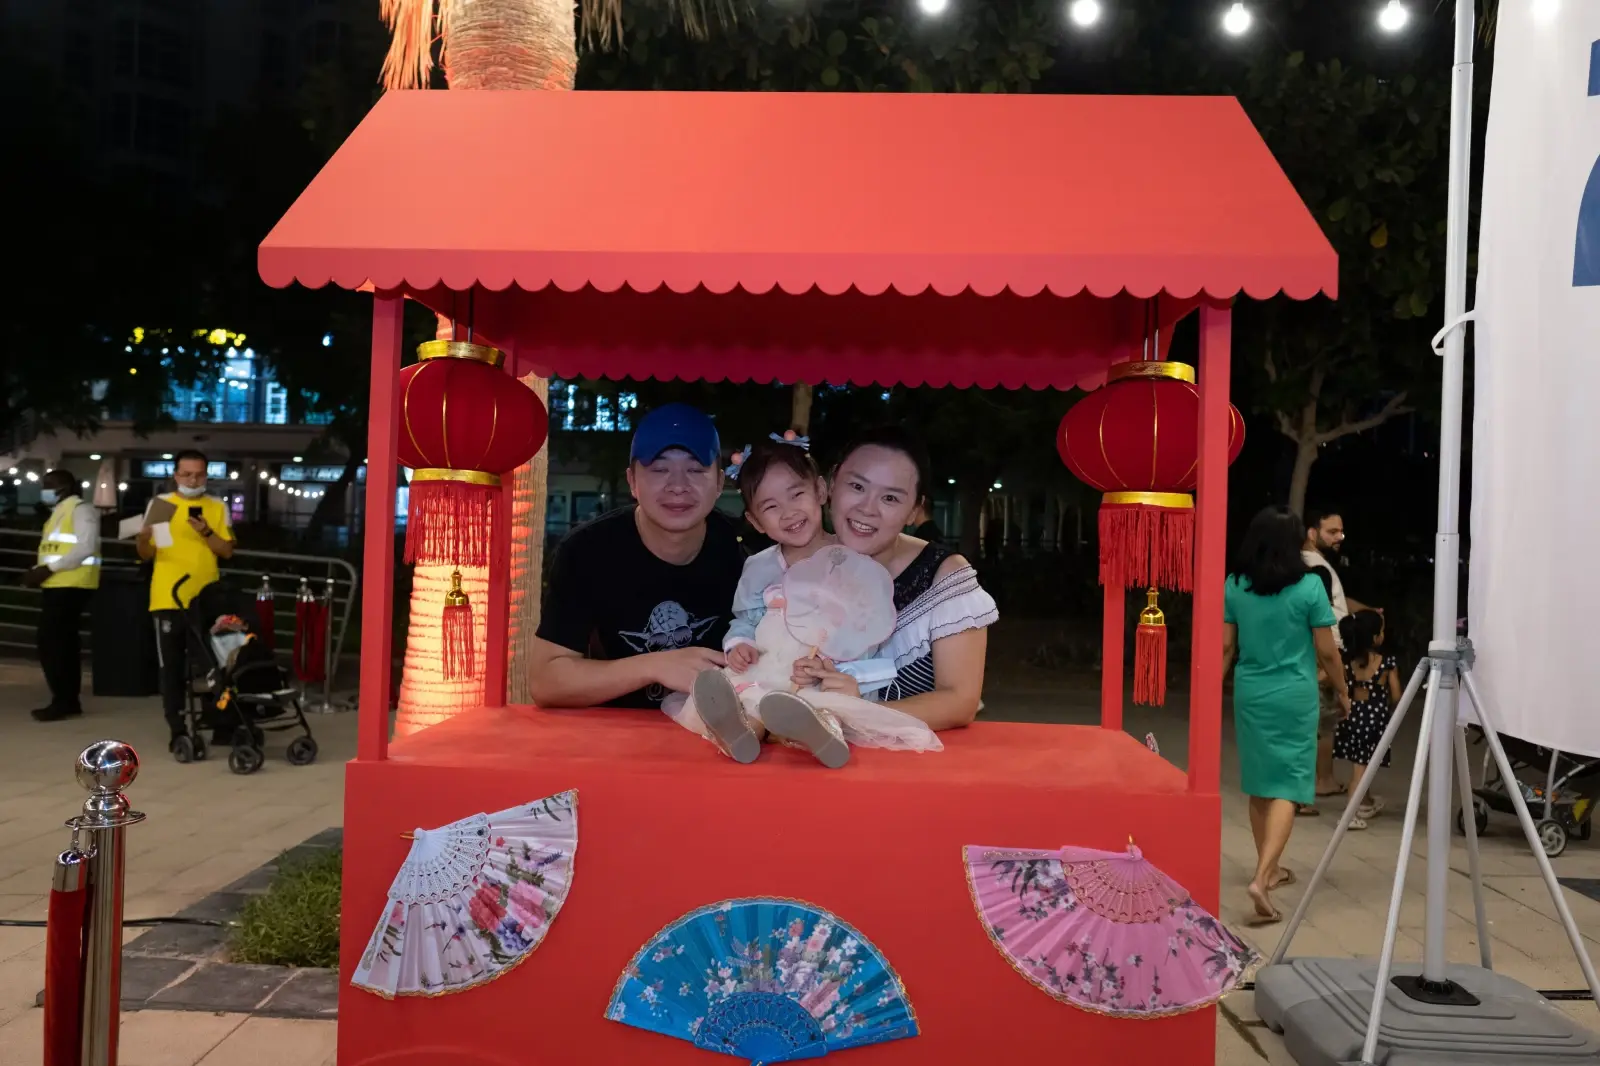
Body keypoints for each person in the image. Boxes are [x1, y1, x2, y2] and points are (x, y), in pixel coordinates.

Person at [664, 433, 940, 766]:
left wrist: (837, 667)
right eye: (770, 506)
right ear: (754, 521)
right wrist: (739, 644)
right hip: (765, 667)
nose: (788, 512)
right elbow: (745, 617)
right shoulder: (759, 567)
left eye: (797, 495)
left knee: (824, 705)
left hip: (819, 672)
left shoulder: (849, 559)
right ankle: (739, 733)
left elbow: (863, 624)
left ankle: (820, 733)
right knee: (750, 700)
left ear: (821, 491)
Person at [526, 403, 745, 710]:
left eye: (696, 470)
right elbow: (545, 680)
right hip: (616, 739)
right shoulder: (589, 551)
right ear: (632, 481)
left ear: (720, 482)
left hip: (720, 734)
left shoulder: (742, 549)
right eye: (659, 469)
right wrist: (654, 666)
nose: (678, 486)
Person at [789, 426, 998, 730]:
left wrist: (863, 711)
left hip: (913, 767)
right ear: (832, 484)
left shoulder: (943, 576)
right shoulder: (801, 563)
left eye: (890, 498)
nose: (867, 509)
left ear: (915, 510)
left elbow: (959, 701)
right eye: (857, 487)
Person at [1223, 505, 1349, 925]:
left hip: (1251, 694)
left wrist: (1208, 690)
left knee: (1261, 784)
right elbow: (1327, 650)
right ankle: (1262, 876)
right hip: (1295, 695)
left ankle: (1271, 868)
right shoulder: (1310, 587)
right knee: (1288, 787)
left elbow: (1225, 648)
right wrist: (1343, 689)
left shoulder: (1236, 585)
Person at [136, 450, 235, 751]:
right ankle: (177, 728)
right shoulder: (161, 505)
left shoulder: (216, 507)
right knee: (173, 666)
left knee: (213, 663)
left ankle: (219, 722)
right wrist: (142, 538)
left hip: (207, 599)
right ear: (175, 475)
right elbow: (146, 553)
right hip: (169, 596)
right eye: (187, 474)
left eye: (199, 474)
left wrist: (206, 531)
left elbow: (227, 551)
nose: (193, 479)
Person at [1300, 506, 1381, 812]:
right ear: (1311, 532)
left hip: (1327, 651)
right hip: (1325, 651)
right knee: (1324, 721)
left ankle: (1322, 780)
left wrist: (1370, 611)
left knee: (1325, 719)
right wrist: (1324, 659)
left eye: (1341, 531)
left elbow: (1337, 601)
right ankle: (1320, 781)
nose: (1339, 537)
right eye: (1332, 531)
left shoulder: (1321, 565)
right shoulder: (1312, 565)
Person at [21, 470, 100, 722]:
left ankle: (64, 701)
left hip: (71, 583)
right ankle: (65, 700)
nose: (44, 489)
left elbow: (85, 547)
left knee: (55, 644)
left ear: (64, 486)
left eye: (49, 484)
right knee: (57, 644)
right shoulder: (60, 511)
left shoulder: (80, 509)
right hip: (58, 583)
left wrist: (47, 570)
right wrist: (40, 572)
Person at [1331, 610, 1400, 830]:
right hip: (1374, 719)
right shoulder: (1386, 662)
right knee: (1359, 771)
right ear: (1374, 637)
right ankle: (1350, 814)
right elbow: (1397, 695)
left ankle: (1367, 802)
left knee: (1362, 762)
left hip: (1353, 717)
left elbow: (1342, 689)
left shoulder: (1348, 661)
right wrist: (1387, 706)